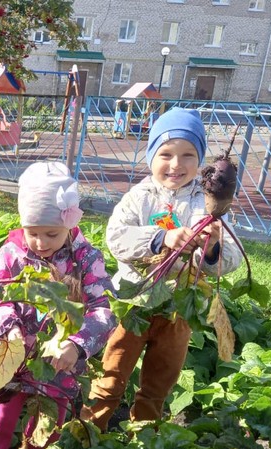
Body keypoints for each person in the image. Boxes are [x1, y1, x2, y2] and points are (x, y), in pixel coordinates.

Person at [0, 161, 116, 449]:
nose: (41, 242)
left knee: (46, 428)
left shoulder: (86, 259)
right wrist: (9, 327)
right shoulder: (12, 253)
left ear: (69, 225)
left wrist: (77, 344)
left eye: (51, 234)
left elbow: (104, 310)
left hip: (59, 365)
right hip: (14, 360)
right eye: (33, 232)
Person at [82, 107, 243, 431]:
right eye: (166, 154)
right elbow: (116, 238)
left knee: (160, 381)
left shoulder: (208, 203)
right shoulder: (139, 197)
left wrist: (211, 248)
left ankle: (144, 437)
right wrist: (160, 238)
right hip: (134, 300)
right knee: (111, 374)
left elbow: (232, 258)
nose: (176, 164)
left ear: (200, 161)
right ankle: (89, 431)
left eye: (188, 155)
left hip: (177, 307)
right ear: (151, 156)